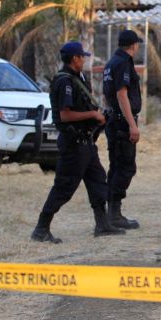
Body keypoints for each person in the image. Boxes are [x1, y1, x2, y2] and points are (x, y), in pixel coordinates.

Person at [31, 42, 125, 243]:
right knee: (64, 187)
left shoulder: (75, 79)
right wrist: (92, 114)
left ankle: (102, 225)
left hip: (86, 142)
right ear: (75, 59)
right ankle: (41, 228)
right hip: (74, 144)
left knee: (98, 181)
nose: (84, 60)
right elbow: (65, 116)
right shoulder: (64, 82)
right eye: (82, 57)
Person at [102, 29, 143, 229]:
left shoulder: (111, 63)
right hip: (121, 123)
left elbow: (107, 96)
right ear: (133, 45)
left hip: (113, 121)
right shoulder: (124, 63)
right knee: (125, 168)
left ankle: (112, 212)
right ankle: (114, 214)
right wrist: (132, 125)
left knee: (116, 167)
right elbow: (121, 94)